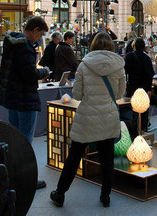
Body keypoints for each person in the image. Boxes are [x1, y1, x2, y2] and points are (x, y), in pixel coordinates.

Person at [50, 32, 125, 208]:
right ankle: (105, 196)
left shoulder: (84, 66)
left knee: (74, 157)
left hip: (87, 117)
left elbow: (77, 95)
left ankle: (60, 193)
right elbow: (120, 94)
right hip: (108, 115)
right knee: (107, 159)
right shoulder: (119, 66)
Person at [0, 17, 50, 190]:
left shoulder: (12, 43)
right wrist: (44, 71)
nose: (39, 38)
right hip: (24, 97)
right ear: (35, 30)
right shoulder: (25, 46)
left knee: (15, 137)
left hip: (12, 97)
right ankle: (26, 178)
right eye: (40, 34)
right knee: (25, 140)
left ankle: (13, 174)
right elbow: (29, 73)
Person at [124, 37, 154, 131]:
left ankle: (132, 126)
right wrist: (149, 88)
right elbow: (150, 74)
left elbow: (125, 71)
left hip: (132, 85)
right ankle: (143, 127)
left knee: (131, 106)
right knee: (143, 107)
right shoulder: (146, 57)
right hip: (144, 86)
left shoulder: (129, 56)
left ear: (134, 46)